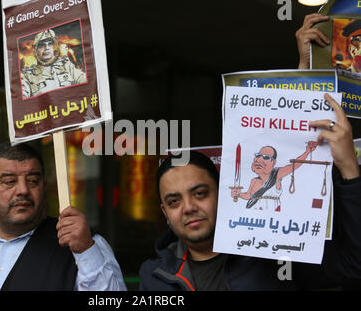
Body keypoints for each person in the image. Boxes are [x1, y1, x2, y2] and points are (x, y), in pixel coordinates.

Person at [139, 93, 361, 290]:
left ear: (222, 194)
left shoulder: (275, 255)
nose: (188, 208)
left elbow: (353, 266)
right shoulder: (154, 277)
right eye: (174, 202)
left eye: (200, 194)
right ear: (165, 213)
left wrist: (349, 167)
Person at [0, 142, 126, 291]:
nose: (23, 190)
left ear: (44, 188)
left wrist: (86, 251)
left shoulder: (79, 244)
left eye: (33, 181)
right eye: (10, 182)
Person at [231, 141, 318, 211]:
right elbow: (249, 196)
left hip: (271, 215)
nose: (259, 160)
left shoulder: (276, 174)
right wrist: (239, 194)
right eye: (258, 156)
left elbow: (294, 165)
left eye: (266, 157)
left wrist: (307, 152)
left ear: (273, 162)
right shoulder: (254, 181)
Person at [21, 29, 87, 98]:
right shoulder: (27, 76)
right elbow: (23, 97)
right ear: (35, 50)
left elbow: (83, 79)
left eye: (50, 44)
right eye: (41, 45)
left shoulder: (66, 66)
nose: (47, 48)